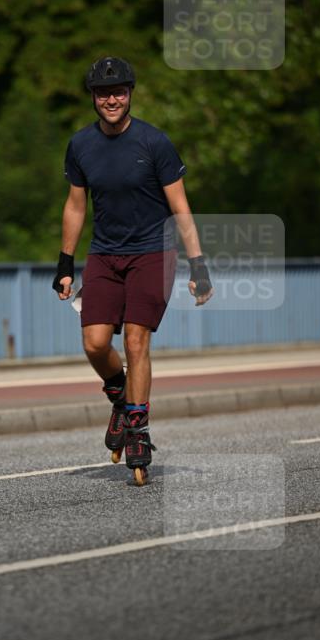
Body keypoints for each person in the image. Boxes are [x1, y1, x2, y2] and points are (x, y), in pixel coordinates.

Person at [52, 56, 213, 482]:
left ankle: (138, 429)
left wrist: (198, 265)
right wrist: (65, 262)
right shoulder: (80, 145)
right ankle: (121, 399)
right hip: (105, 253)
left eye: (119, 91)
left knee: (138, 342)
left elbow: (179, 207)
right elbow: (75, 204)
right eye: (103, 92)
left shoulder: (154, 143)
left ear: (130, 94)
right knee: (94, 343)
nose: (111, 99)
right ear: (92, 97)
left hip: (153, 254)